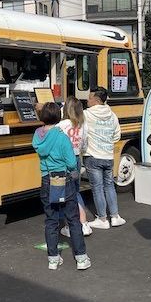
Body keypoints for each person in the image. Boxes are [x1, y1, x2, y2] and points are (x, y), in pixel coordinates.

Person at [32, 102, 91, 271]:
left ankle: (53, 259)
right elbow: (72, 163)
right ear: (59, 116)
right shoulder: (61, 137)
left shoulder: (37, 135)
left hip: (46, 180)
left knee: (51, 220)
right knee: (72, 219)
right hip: (63, 180)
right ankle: (81, 258)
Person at [83, 86, 126, 229]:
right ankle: (115, 216)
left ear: (95, 100)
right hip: (108, 156)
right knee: (109, 186)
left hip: (93, 156)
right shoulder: (112, 114)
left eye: (89, 98)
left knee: (97, 188)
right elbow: (117, 135)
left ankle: (102, 219)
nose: (87, 100)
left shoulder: (86, 114)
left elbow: (82, 132)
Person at [57, 97, 92, 237]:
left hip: (62, 161)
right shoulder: (83, 124)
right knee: (75, 191)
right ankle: (84, 223)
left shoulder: (60, 125)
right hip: (76, 159)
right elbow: (84, 144)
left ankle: (69, 225)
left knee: (62, 193)